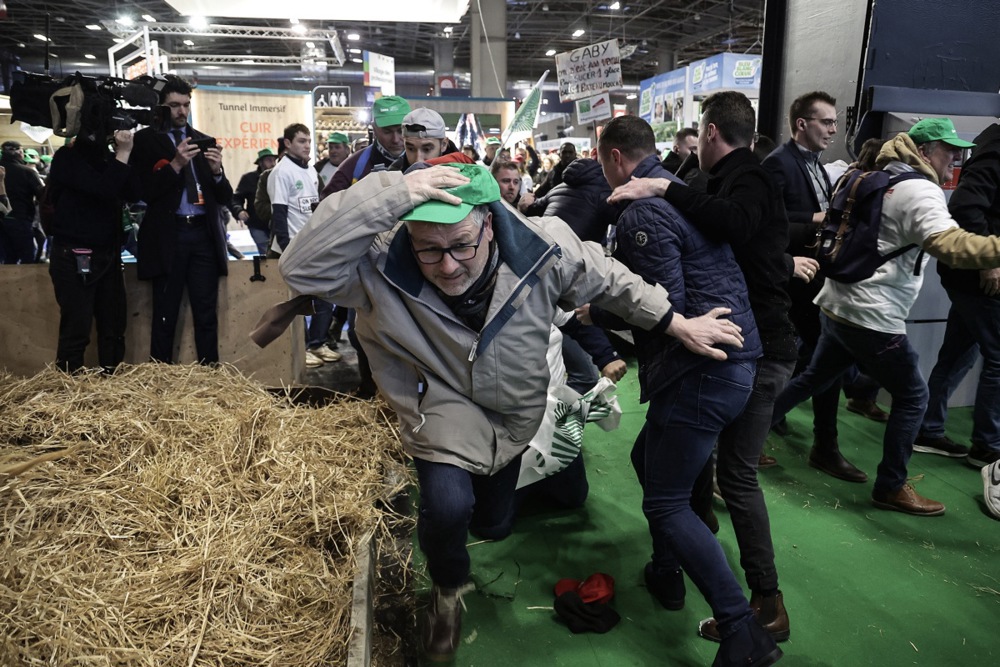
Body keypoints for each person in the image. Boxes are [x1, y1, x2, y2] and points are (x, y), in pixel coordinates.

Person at [258, 162, 746, 663]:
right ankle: (446, 594)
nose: (447, 265)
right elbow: (301, 268)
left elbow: (612, 281)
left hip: (515, 409)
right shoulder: (379, 261)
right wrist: (391, 192)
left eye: (461, 245)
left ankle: (480, 528)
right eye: (428, 249)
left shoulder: (542, 246)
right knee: (448, 507)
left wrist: (677, 323)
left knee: (492, 524)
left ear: (489, 223)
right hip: (438, 405)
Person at [608, 91, 798, 645]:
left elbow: (664, 297)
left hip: (715, 359)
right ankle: (673, 567)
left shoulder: (667, 201)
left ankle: (743, 626)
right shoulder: (699, 194)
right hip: (741, 350)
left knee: (680, 497)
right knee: (663, 467)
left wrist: (598, 307)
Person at [770, 117, 1000, 516]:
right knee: (913, 396)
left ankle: (742, 435)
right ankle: (891, 486)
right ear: (924, 151)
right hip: (872, 315)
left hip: (838, 301)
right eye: (948, 150)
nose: (956, 158)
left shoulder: (869, 174)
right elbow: (955, 248)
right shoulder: (920, 191)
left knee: (812, 378)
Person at [762, 91, 885, 478]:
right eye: (826, 122)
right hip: (790, 280)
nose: (834, 129)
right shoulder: (778, 163)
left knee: (814, 362)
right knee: (810, 363)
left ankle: (796, 433)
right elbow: (767, 222)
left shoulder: (815, 164)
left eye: (834, 121)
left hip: (815, 278)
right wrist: (817, 219)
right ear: (802, 124)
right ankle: (814, 443)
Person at [128, 74, 234, 365]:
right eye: (174, 105)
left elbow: (225, 195)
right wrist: (175, 165)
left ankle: (211, 372)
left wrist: (217, 172)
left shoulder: (201, 140)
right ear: (161, 107)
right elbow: (143, 193)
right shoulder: (145, 141)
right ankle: (161, 375)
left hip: (203, 235)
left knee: (205, 311)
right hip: (168, 235)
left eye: (186, 105)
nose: (182, 111)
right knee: (165, 311)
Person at [914, 118, 1000, 469]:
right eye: (947, 151)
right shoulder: (995, 148)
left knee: (959, 353)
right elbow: (965, 207)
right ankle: (987, 446)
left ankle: (929, 429)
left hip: (969, 274)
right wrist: (987, 262)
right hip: (978, 275)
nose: (953, 158)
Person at [46, 130, 141, 373]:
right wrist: (123, 153)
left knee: (113, 328)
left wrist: (124, 155)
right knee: (76, 329)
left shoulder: (110, 159)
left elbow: (132, 192)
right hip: (74, 253)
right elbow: (104, 189)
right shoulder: (67, 159)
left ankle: (112, 386)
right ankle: (69, 391)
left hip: (107, 252)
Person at [268, 123, 341, 369]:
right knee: (297, 303)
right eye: (301, 141)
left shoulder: (310, 171)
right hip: (292, 248)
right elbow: (278, 213)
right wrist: (288, 248)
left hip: (313, 246)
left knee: (324, 298)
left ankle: (317, 343)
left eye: (309, 141)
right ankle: (299, 348)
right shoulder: (281, 172)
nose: (307, 145)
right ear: (287, 143)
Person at [320, 95, 411, 198]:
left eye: (401, 131)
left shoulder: (423, 160)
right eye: (387, 132)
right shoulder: (353, 167)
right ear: (374, 129)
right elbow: (324, 208)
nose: (395, 139)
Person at [0, 139, 44, 264]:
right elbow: (42, 196)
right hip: (20, 218)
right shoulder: (27, 172)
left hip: (2, 220)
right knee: (28, 256)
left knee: (7, 258)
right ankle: (27, 283)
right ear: (20, 153)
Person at [230, 148, 276, 256]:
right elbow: (236, 198)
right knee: (266, 255)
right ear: (260, 162)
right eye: (269, 160)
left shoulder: (279, 176)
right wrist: (239, 211)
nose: (273, 163)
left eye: (274, 160)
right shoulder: (248, 179)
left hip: (276, 223)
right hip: (257, 224)